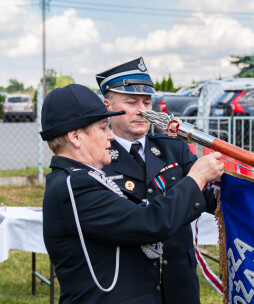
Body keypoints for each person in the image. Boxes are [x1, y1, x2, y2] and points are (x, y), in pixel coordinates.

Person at [40, 83, 224, 304]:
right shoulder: (75, 184)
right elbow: (149, 222)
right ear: (75, 137)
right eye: (102, 128)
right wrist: (197, 177)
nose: (110, 136)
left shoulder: (80, 178)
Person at [95, 57, 219, 303]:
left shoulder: (175, 150)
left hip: (180, 282)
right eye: (131, 102)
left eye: (147, 102)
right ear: (108, 106)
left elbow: (211, 201)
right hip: (130, 287)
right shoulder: (99, 158)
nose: (143, 111)